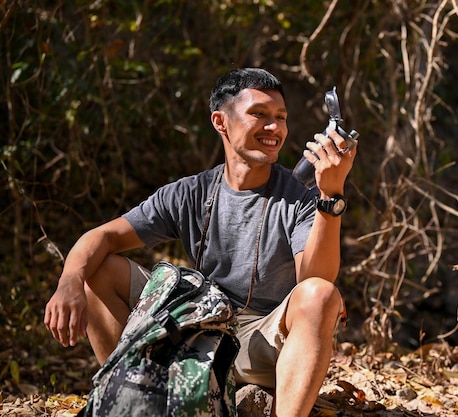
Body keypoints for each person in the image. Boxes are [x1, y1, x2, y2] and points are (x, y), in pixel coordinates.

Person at [44, 67, 358, 417]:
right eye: (259, 114)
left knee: (320, 295)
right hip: (199, 331)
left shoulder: (299, 195)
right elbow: (102, 236)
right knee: (96, 269)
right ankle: (132, 402)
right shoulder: (189, 193)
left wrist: (329, 196)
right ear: (221, 122)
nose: (275, 128)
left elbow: (316, 279)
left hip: (263, 347)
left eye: (280, 117)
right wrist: (68, 281)